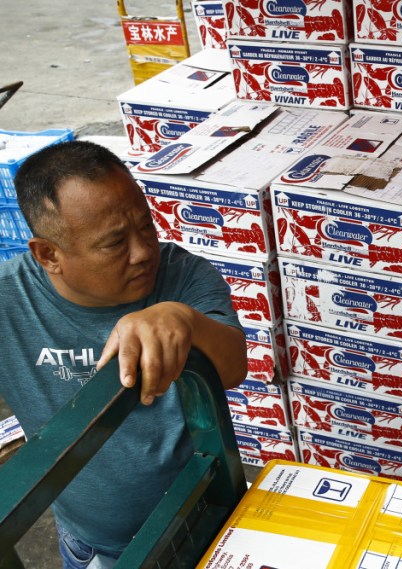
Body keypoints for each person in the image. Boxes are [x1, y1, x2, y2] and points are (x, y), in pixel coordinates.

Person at [0, 140, 247, 568]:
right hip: (89, 546)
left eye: (146, 226)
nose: (143, 252)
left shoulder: (183, 274)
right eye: (115, 243)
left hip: (201, 522)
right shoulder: (8, 300)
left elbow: (233, 367)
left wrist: (183, 319)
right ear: (48, 254)